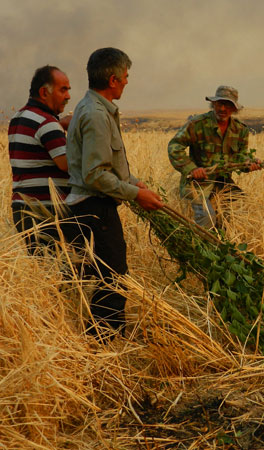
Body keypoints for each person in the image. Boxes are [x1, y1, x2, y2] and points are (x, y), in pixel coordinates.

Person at [66, 47, 163, 339]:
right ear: (113, 79)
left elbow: (106, 167)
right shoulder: (96, 114)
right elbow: (94, 175)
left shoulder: (94, 108)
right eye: (126, 76)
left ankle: (109, 337)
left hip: (96, 206)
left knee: (110, 274)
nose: (127, 82)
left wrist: (135, 184)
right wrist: (135, 195)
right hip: (95, 208)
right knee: (112, 276)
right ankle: (104, 342)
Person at [167, 85, 260, 227]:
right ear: (213, 104)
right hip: (198, 184)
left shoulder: (240, 129)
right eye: (220, 104)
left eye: (228, 105)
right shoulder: (197, 124)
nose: (223, 109)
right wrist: (192, 169)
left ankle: (223, 247)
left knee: (230, 221)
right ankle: (202, 247)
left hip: (223, 184)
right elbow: (175, 146)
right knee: (207, 218)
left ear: (234, 108)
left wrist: (250, 163)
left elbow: (240, 156)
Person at [8, 65, 72, 253]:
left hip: (23, 210)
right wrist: (78, 130)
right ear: (44, 92)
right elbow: (68, 164)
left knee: (45, 274)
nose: (68, 96)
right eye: (63, 90)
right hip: (45, 212)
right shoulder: (47, 123)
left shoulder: (17, 118)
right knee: (62, 274)